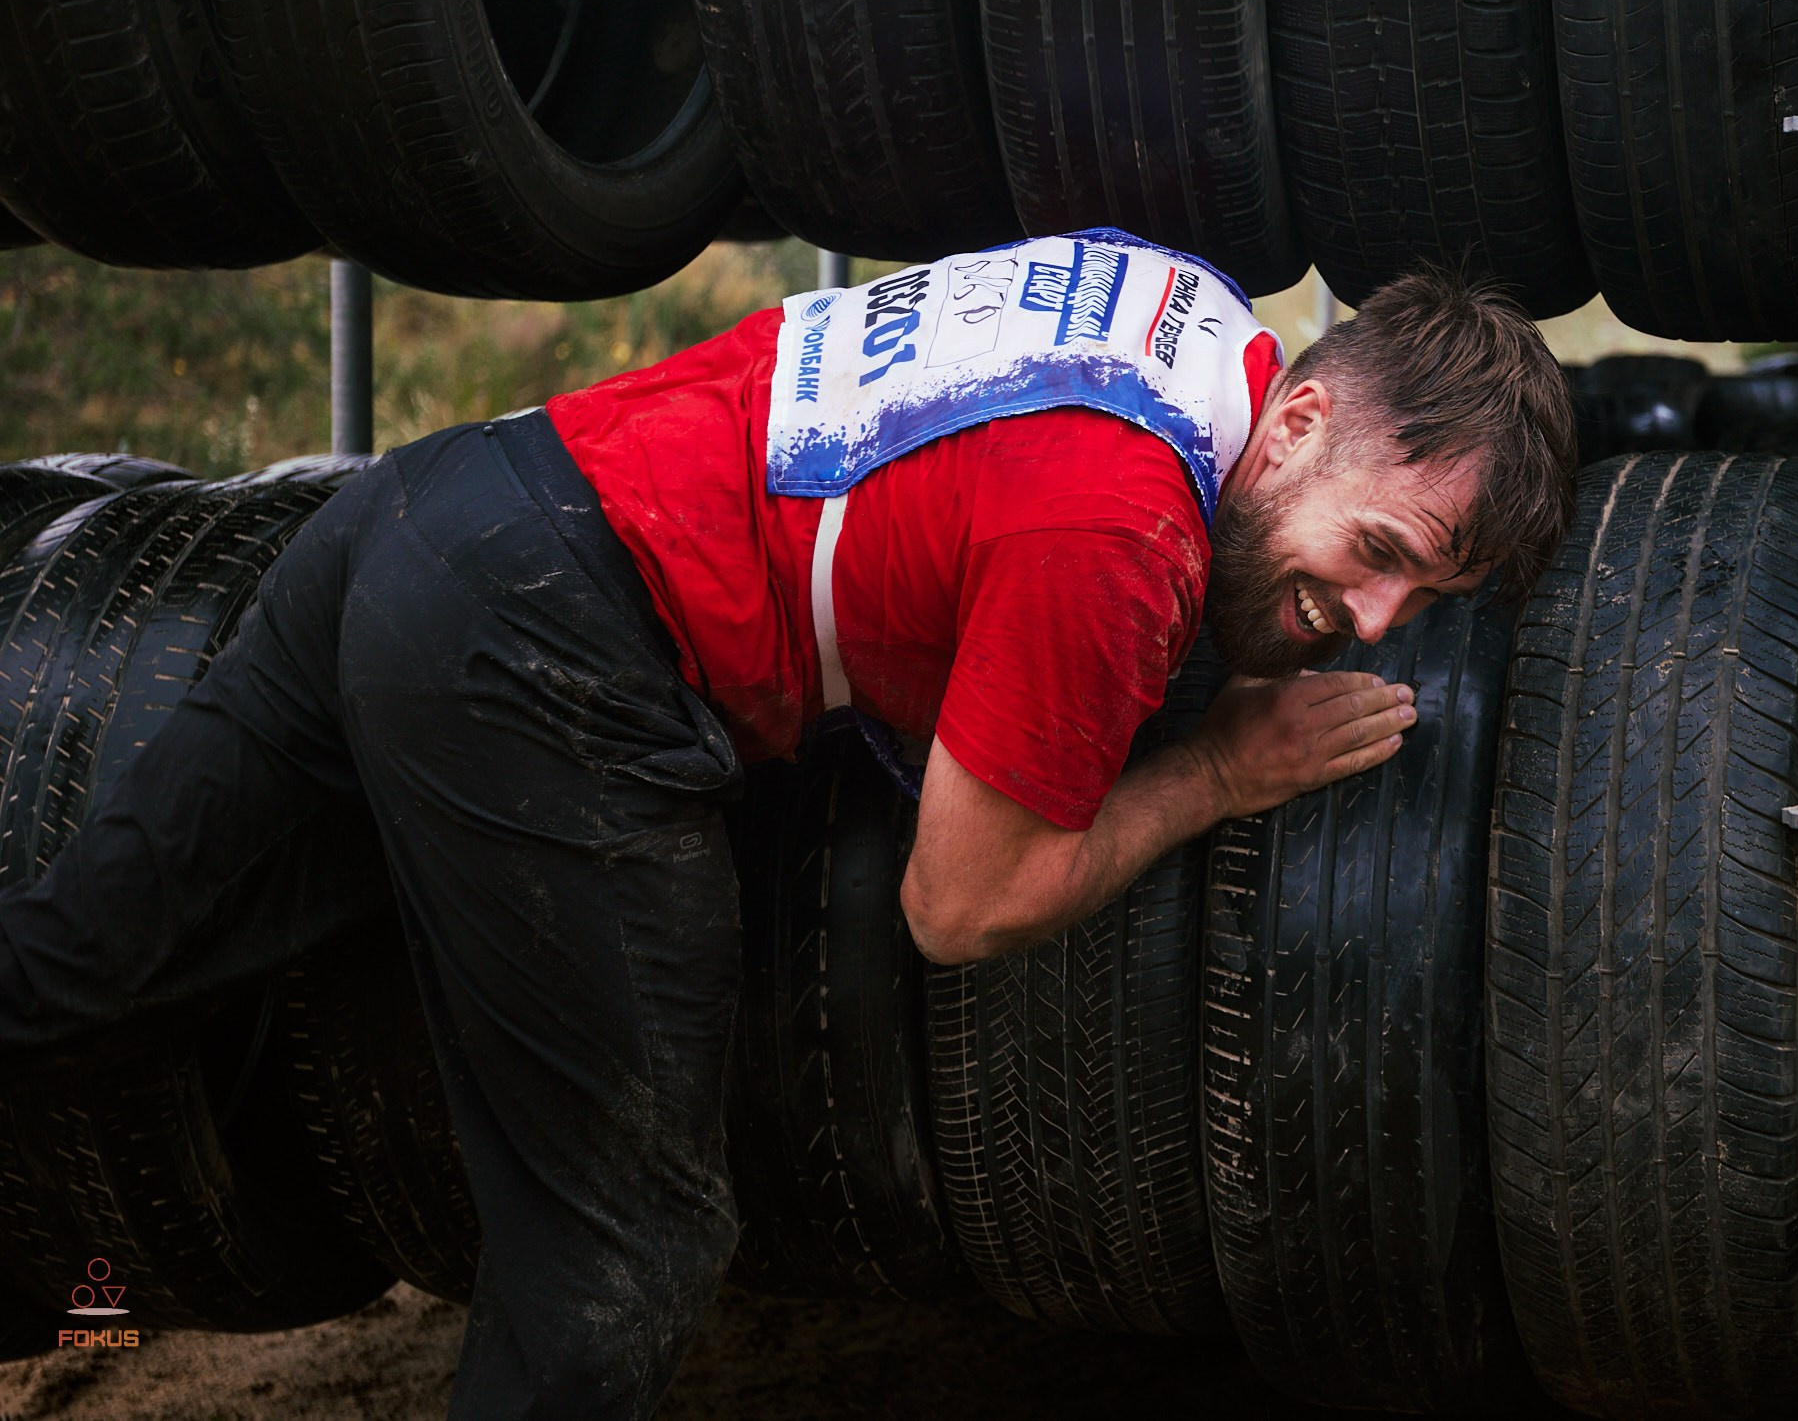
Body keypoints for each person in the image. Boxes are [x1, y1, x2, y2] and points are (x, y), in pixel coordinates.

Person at [0, 230, 1579, 1419]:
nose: (1371, 619)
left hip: (436, 502)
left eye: (1416, 597)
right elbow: (960, 902)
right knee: (625, 1241)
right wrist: (1216, 773)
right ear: (1297, 420)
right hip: (556, 646)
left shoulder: (1190, 315)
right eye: (1381, 550)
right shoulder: (1119, 532)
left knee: (79, 950)